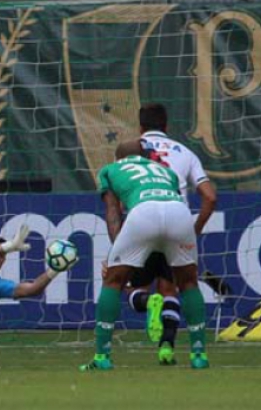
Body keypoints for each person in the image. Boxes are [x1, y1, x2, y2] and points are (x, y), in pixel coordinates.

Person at [84, 140, 208, 371]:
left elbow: (113, 211)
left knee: (113, 281)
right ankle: (199, 354)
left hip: (143, 212)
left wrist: (116, 255)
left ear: (117, 159)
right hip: (179, 213)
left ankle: (102, 357)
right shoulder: (166, 171)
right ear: (146, 156)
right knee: (189, 283)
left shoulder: (109, 171)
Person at [126, 103, 217, 344]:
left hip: (143, 220)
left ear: (140, 126)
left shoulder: (131, 152)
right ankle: (172, 347)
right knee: (174, 287)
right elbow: (209, 196)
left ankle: (146, 302)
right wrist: (193, 229)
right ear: (166, 126)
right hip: (177, 221)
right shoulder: (186, 153)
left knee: (123, 285)